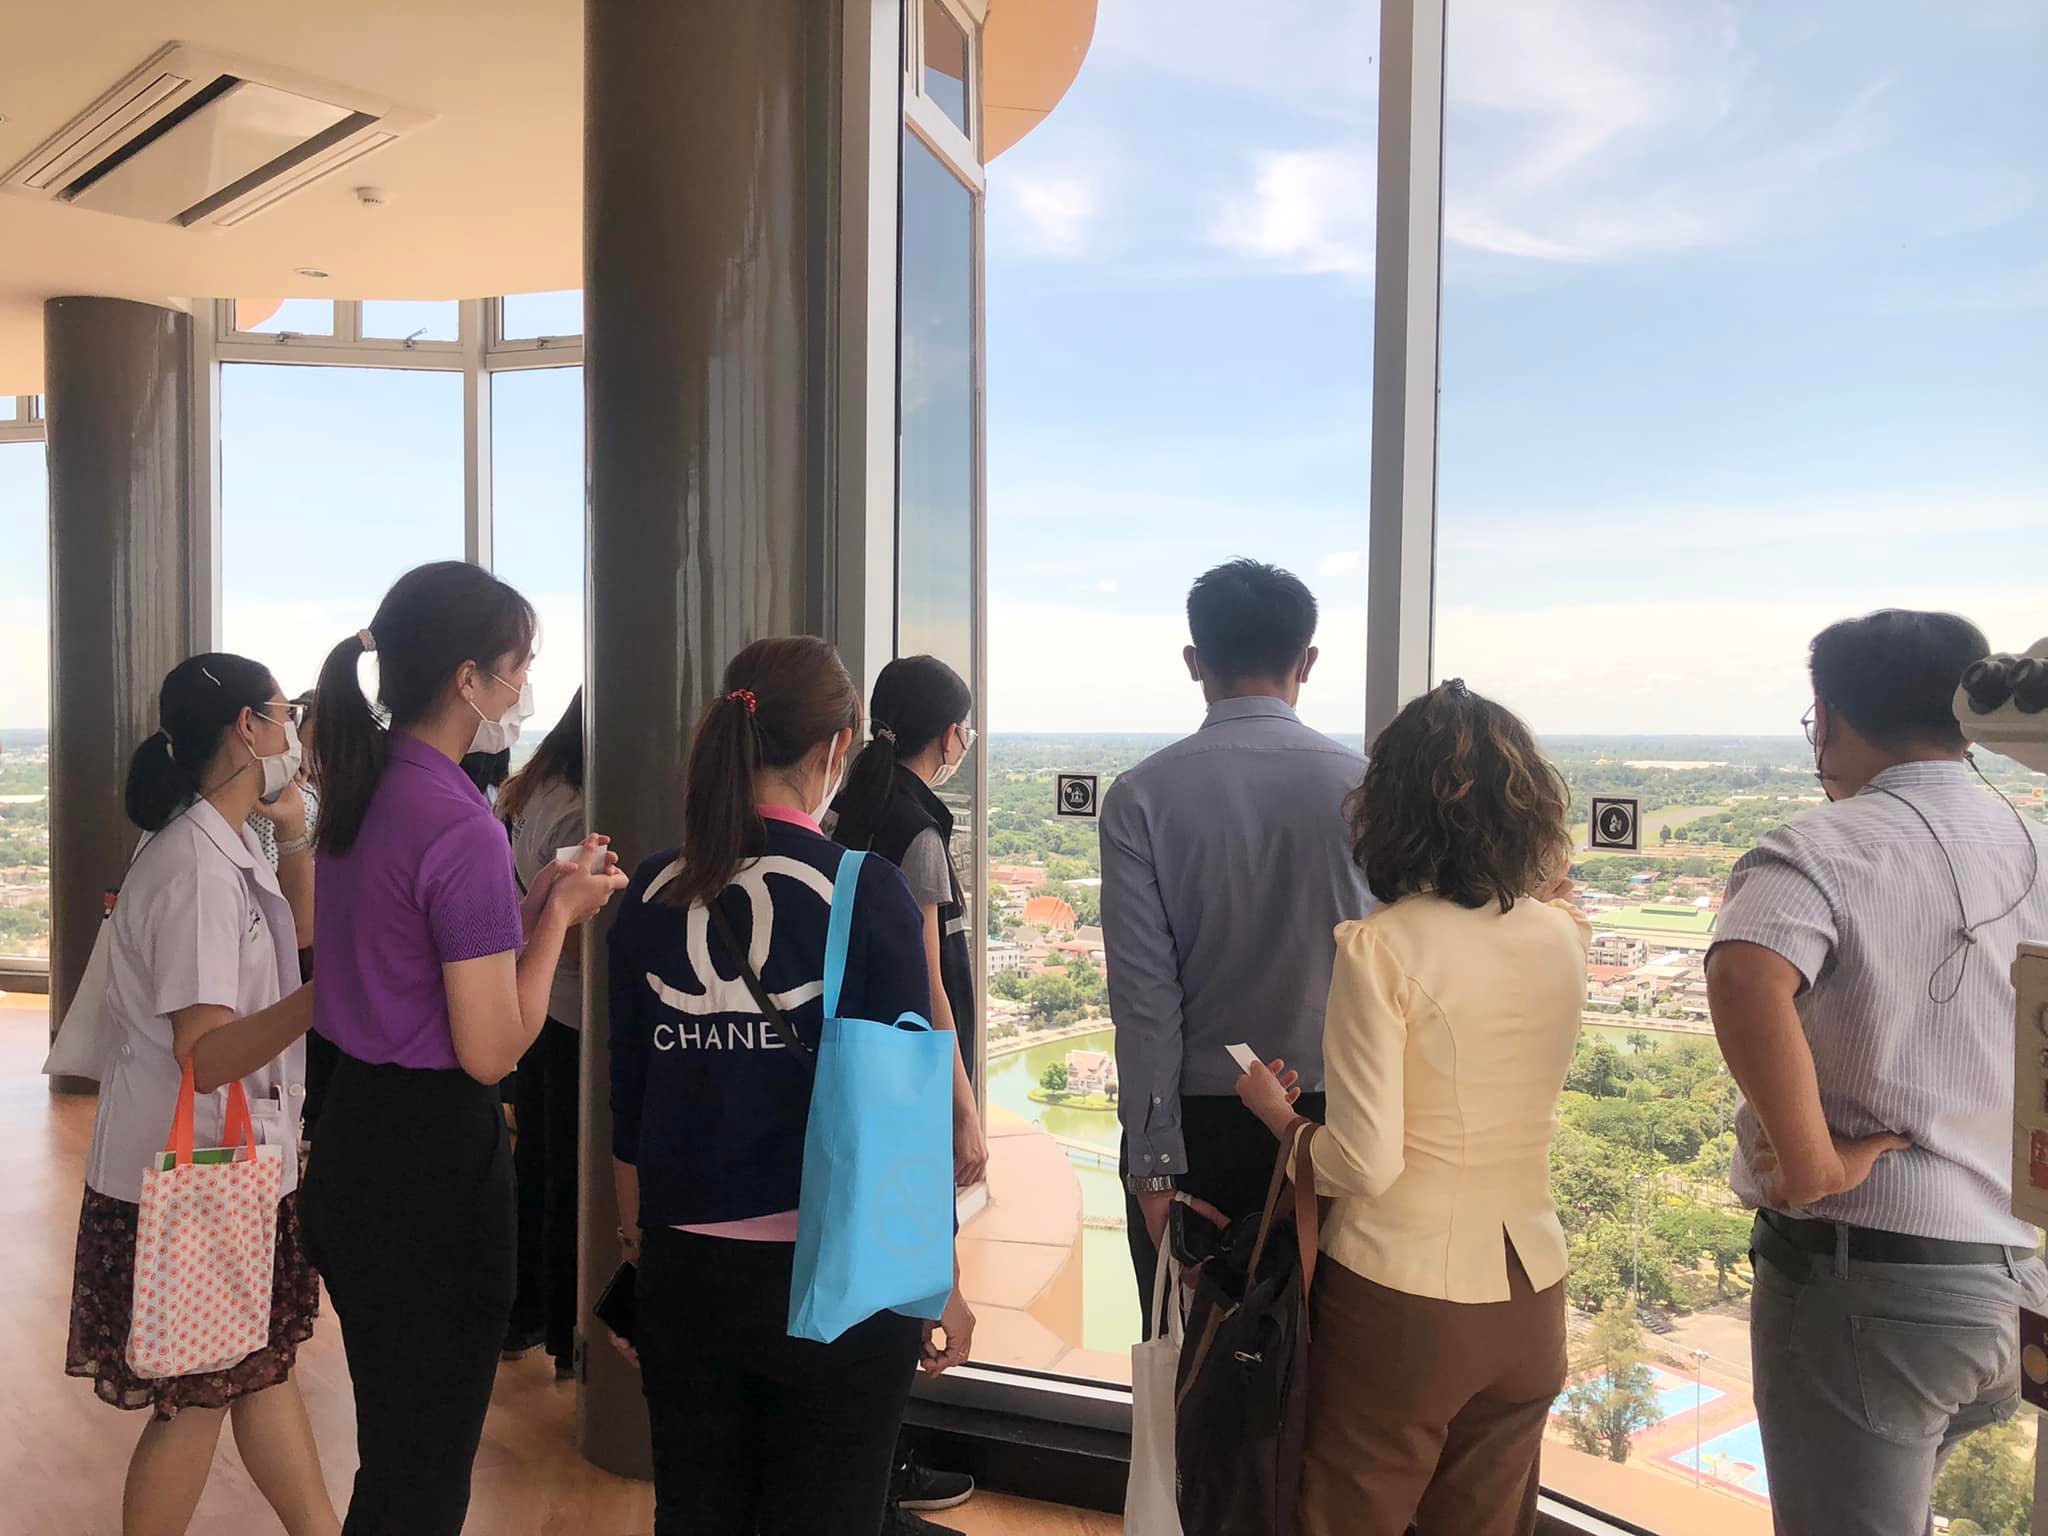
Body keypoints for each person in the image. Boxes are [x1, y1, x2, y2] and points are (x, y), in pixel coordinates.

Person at [609, 636, 972, 1536]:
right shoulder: (865, 890)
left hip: (687, 1272)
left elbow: (630, 1097)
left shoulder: (654, 887)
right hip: (839, 1277)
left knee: (695, 1515)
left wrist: (642, 1254)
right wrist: (941, 1280)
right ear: (837, 747)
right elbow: (902, 1113)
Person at [299, 562, 625, 1536]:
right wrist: (559, 917)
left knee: (396, 1452)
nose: (523, 690)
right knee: (425, 1472)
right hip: (432, 1168)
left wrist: (532, 901)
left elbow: (415, 961)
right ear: (467, 679)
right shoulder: (456, 820)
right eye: (516, 668)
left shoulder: (363, 787)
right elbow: (490, 1048)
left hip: (352, 1136)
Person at [1707, 609, 2048, 1536]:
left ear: (1827, 717)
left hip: (1869, 1282)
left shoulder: (1821, 846)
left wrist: (1811, 1160)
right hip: (2006, 1281)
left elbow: (1744, 973)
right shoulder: (2035, 845)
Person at [1236, 680, 1587, 1536]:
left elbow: (1363, 1164)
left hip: (1403, 1297)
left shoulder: (1381, 947)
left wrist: (1279, 1117)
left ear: (1388, 811)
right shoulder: (1561, 936)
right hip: (1533, 1290)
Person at [66, 654, 337, 1536]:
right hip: (191, 1180)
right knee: (201, 1399)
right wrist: (332, 995)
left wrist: (291, 834)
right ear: (247, 730)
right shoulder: (192, 867)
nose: (294, 732)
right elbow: (207, 1054)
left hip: (228, 1169)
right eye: (284, 714)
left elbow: (295, 933)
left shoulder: (225, 840)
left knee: (253, 1374)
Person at [1100, 559, 1375, 1323]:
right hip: (1341, 1124)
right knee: (1325, 1366)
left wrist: (1155, 1171)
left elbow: (1145, 1001)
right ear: (1306, 662)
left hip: (1198, 1130)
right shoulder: (1370, 791)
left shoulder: (1140, 797)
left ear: (1195, 661)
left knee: (1197, 1368)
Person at [825, 655, 987, 1531]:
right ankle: (876, 1490)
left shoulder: (850, 807)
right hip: (906, 1076)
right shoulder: (918, 832)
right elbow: (929, 989)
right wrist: (961, 1105)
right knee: (902, 1276)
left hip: (855, 1069)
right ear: (951, 736)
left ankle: (870, 1479)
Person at [498, 689, 587, 1379]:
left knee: (537, 1165)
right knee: (569, 1178)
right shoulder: (583, 809)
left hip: (541, 1002)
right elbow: (579, 932)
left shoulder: (533, 788)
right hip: (578, 1008)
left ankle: (522, 1314)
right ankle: (563, 1331)